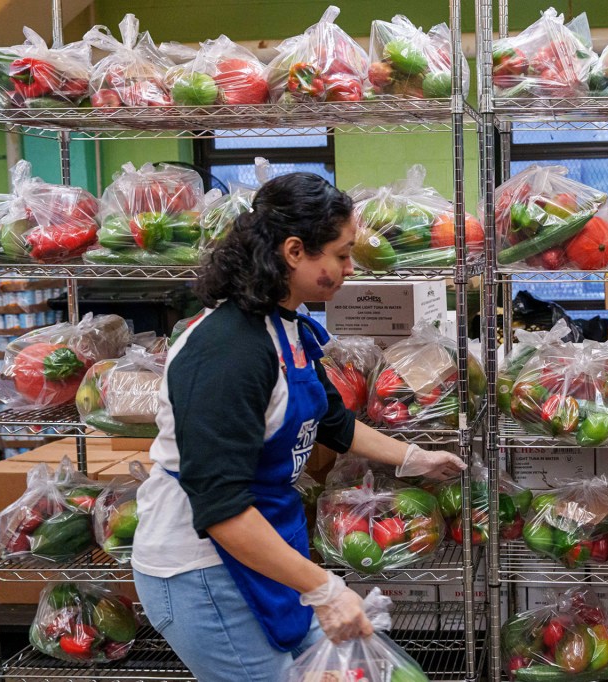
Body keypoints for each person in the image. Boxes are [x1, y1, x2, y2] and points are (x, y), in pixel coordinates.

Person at [131, 172, 466, 682]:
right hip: (203, 570)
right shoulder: (228, 351)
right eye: (341, 253)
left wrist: (415, 459)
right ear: (294, 252)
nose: (351, 267)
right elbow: (220, 507)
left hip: (264, 552)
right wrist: (325, 588)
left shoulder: (286, 327)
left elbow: (332, 421)